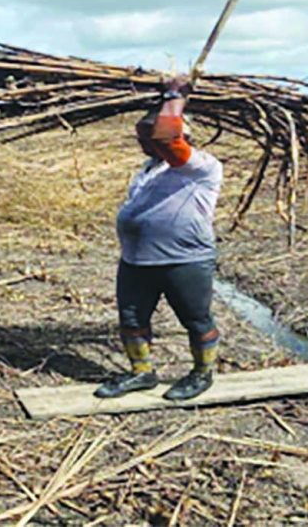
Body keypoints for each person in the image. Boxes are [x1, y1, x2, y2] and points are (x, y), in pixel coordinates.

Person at [94, 75, 223, 401]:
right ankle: (142, 373)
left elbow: (167, 138)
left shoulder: (201, 166)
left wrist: (173, 94)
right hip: (137, 260)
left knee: (195, 319)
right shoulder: (147, 170)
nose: (146, 141)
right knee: (132, 318)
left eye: (150, 136)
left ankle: (202, 373)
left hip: (184, 260)